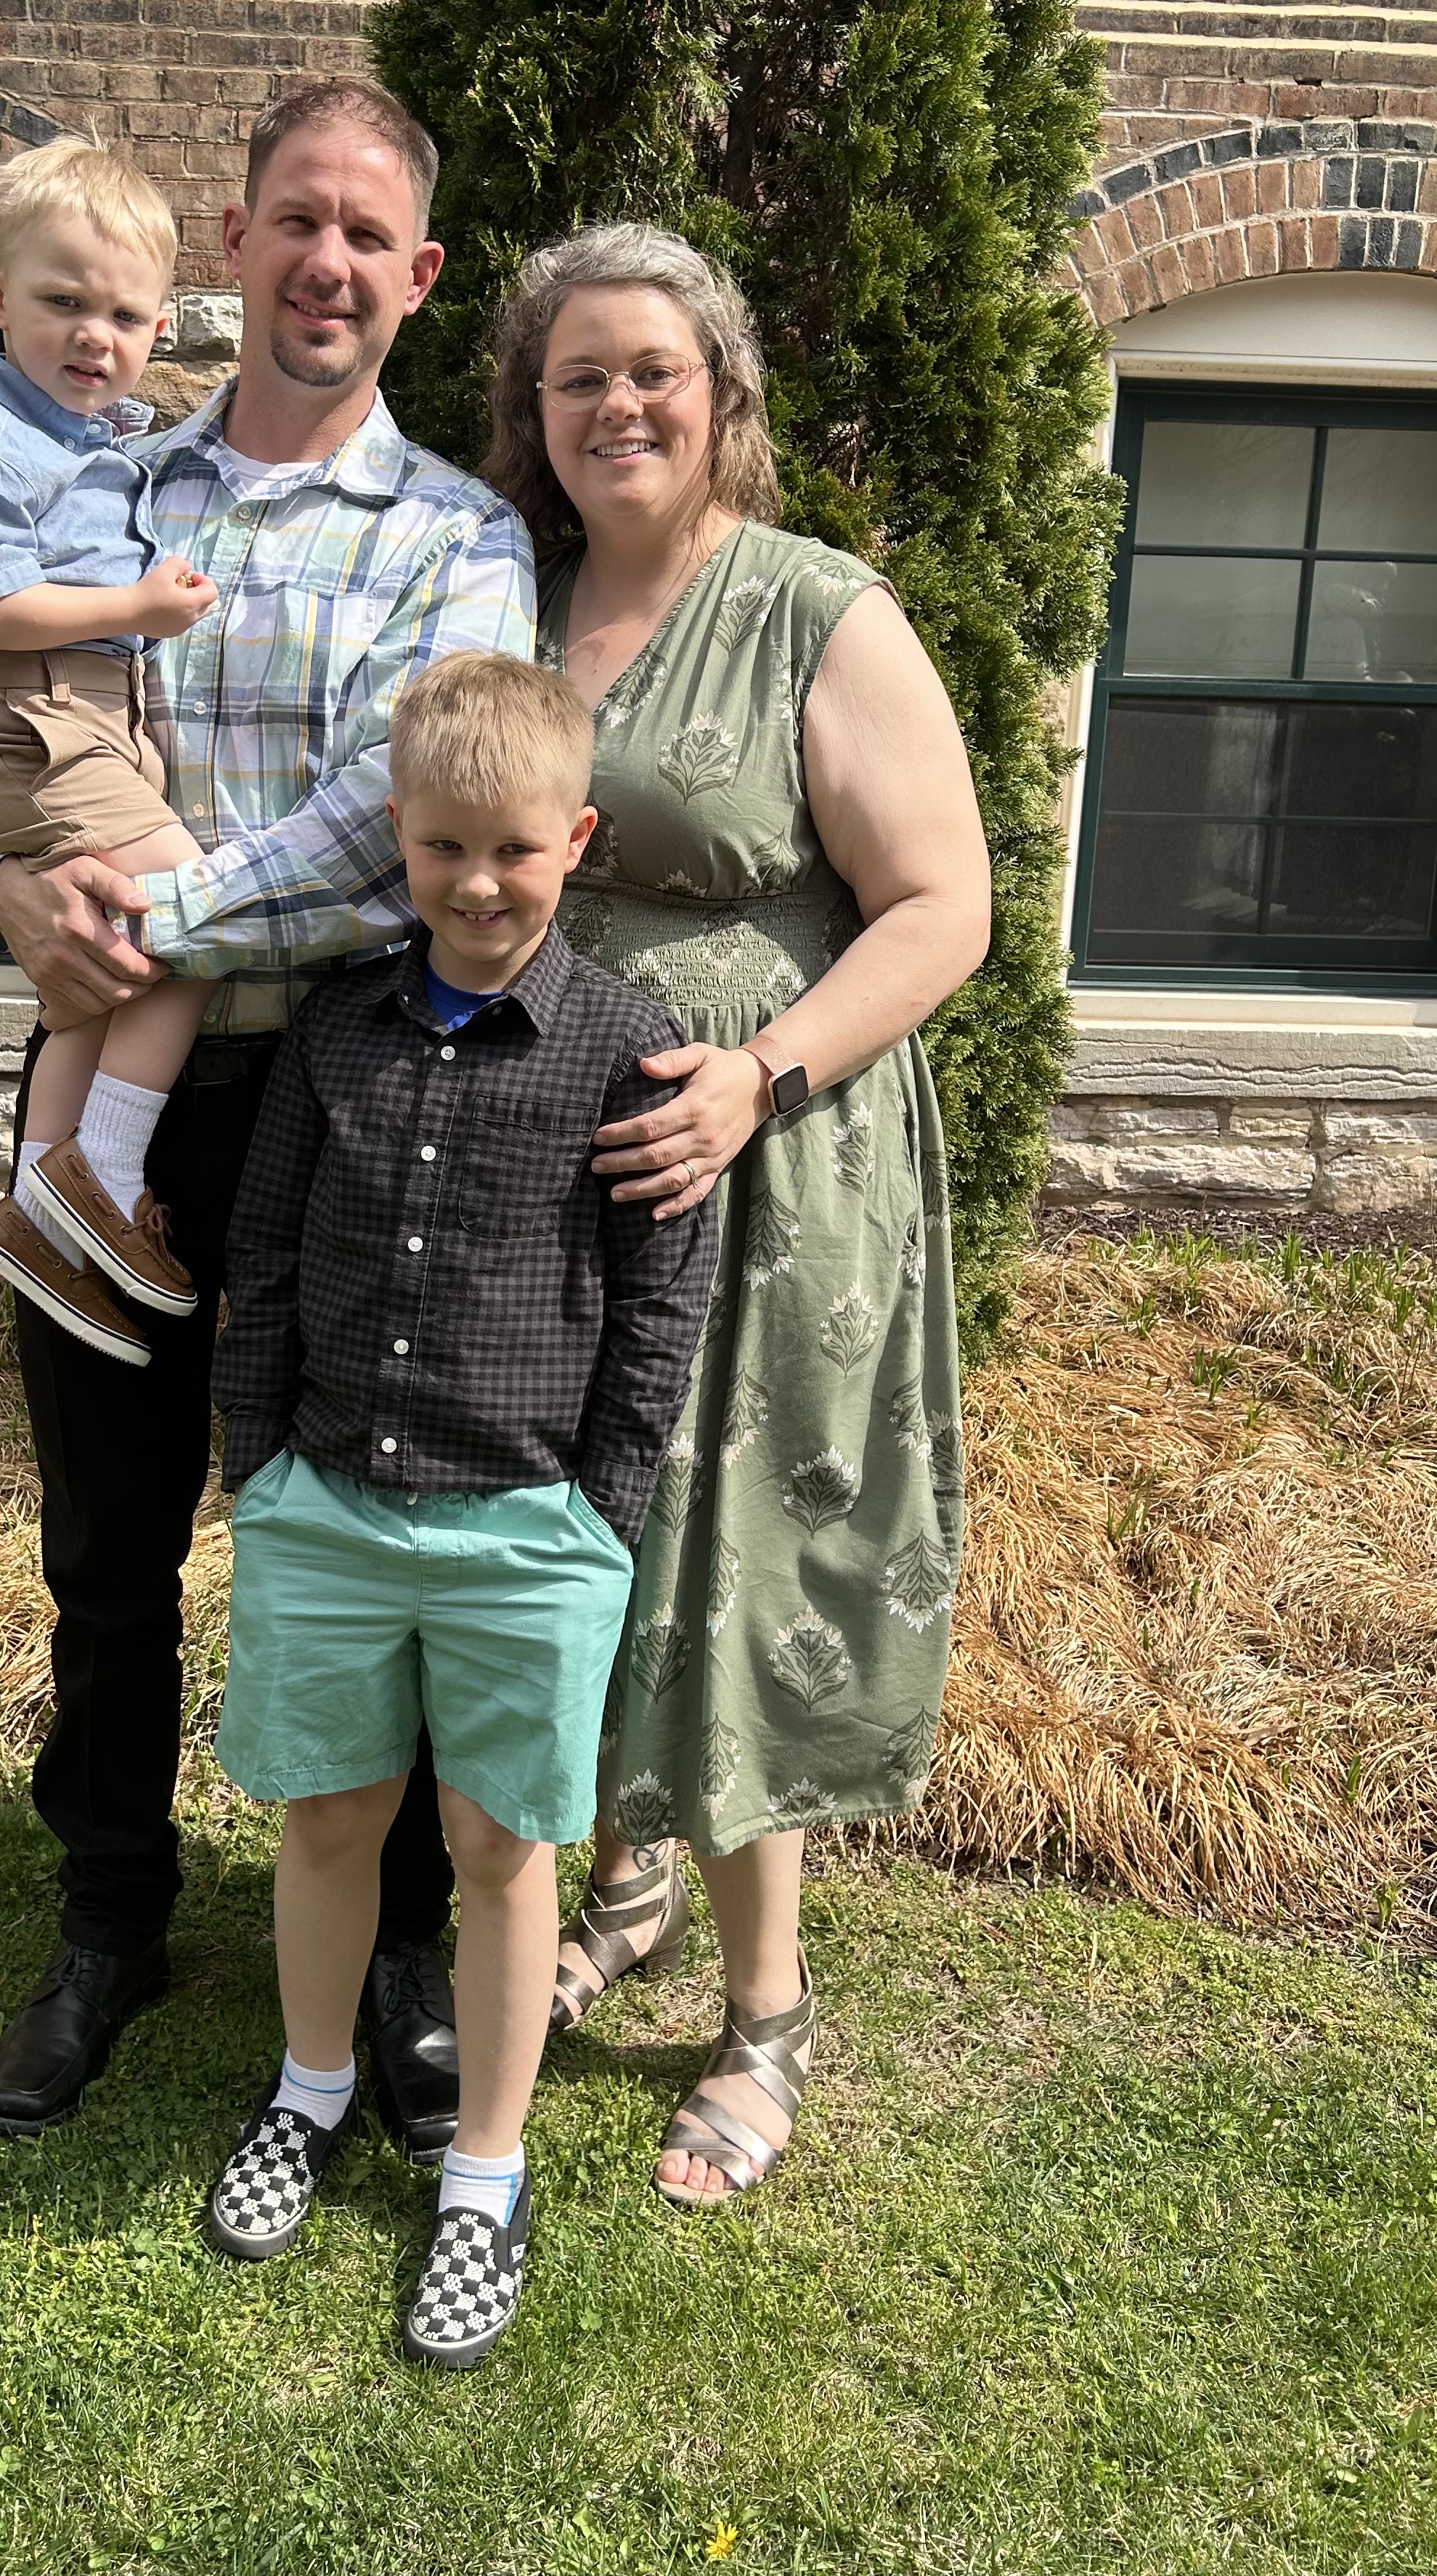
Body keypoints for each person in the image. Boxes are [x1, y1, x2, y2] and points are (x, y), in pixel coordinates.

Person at [0, 81, 537, 2150]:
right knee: (105, 1540)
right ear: (237, 242)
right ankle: (108, 1918)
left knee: (380, 1543)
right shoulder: (99, 497)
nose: (328, 262)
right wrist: (5, 886)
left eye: (368, 232)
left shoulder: (464, 542)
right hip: (120, 1106)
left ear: (416, 275)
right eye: (294, 220)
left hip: (365, 1115)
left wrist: (151, 908)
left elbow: (399, 838)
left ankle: (397, 1952)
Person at [485, 223, 992, 2206]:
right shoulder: (506, 597)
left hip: (761, 1159)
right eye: (576, 376)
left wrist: (757, 1074)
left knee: (733, 1541)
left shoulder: (813, 611)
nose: (617, 404)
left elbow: (943, 907)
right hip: (552, 1148)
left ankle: (768, 2002)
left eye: (651, 371)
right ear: (531, 414)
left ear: (721, 398)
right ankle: (623, 1884)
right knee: (573, 1521)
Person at [200, 654, 713, 2365]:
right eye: (440, 851)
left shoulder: (634, 1057)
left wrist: (602, 1512)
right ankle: (309, 2086)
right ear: (398, 848)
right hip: (326, 1508)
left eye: (512, 849)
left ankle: (484, 2176)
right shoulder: (335, 1031)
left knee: (501, 1851)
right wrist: (256, 1467)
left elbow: (658, 1310)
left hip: (526, 1530)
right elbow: (261, 1258)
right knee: (332, 1817)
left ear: (577, 838)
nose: (477, 885)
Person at [0, 136, 221, 1363]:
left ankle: (40, 1209)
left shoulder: (103, 444)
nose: (96, 335)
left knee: (84, 972)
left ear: (162, 324)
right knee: (190, 918)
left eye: (126, 315)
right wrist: (137, 610)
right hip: (44, 714)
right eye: (64, 303)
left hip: (67, 720)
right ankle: (104, 1176)